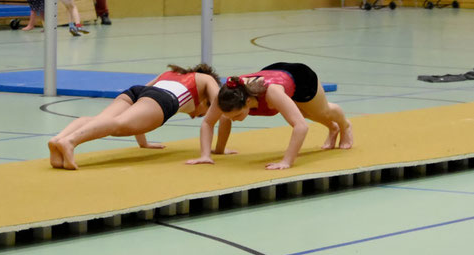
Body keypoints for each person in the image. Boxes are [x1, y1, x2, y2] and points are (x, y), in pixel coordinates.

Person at [48, 64, 222, 170]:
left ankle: (58, 140)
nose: (197, 116)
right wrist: (217, 150)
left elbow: (142, 97)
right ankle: (70, 142)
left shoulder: (170, 74)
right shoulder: (206, 79)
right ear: (206, 100)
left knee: (99, 119)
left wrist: (143, 143)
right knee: (117, 125)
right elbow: (221, 107)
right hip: (164, 100)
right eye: (202, 113)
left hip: (137, 91)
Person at [187, 62, 354, 170]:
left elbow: (301, 127)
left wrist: (286, 162)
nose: (233, 119)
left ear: (249, 102)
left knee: (318, 111)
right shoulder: (226, 95)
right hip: (273, 72)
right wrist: (208, 154)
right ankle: (333, 129)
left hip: (300, 77)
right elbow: (208, 123)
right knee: (303, 112)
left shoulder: (272, 93)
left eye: (237, 115)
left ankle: (344, 125)